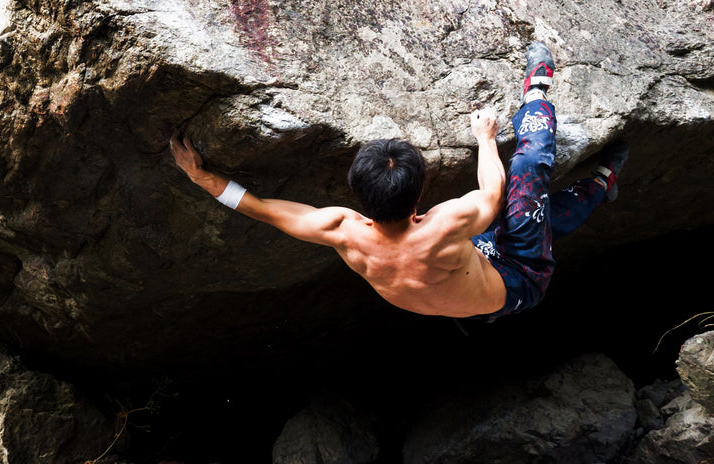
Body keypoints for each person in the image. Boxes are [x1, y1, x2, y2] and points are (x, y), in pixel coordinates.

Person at [169, 43, 628, 319]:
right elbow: (494, 191)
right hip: (519, 282)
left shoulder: (343, 233)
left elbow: (262, 209)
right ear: (421, 196)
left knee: (532, 222)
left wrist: (202, 176)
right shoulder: (446, 224)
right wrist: (486, 139)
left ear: (358, 197)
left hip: (471, 276)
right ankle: (537, 93)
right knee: (527, 184)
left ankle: (603, 188)